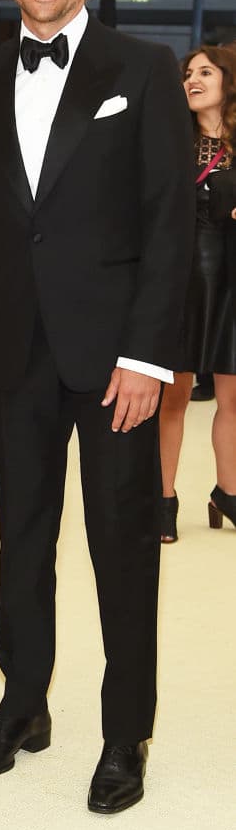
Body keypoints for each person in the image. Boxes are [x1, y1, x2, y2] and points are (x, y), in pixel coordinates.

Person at [0, 0, 195, 815]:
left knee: (121, 545)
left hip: (114, 353)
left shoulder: (145, 66)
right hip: (11, 344)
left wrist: (146, 356)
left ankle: (124, 733)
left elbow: (169, 224)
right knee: (22, 539)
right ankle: (21, 707)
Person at [159, 45, 236, 541]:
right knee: (173, 397)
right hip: (179, 280)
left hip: (233, 281)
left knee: (234, 396)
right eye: (188, 73)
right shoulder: (170, 142)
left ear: (229, 82)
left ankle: (227, 492)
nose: (192, 79)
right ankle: (162, 499)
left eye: (205, 71)